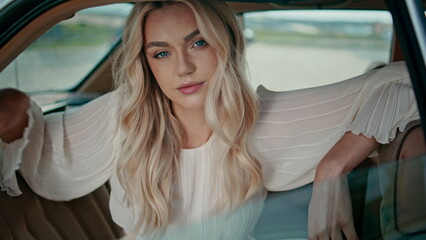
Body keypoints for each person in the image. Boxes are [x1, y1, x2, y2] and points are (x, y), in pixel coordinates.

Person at [0, 0, 422, 239]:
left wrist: (333, 170)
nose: (182, 67)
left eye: (197, 42)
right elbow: (40, 153)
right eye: (161, 52)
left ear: (226, 45)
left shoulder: (264, 122)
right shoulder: (121, 119)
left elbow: (408, 83)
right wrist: (16, 103)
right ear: (146, 64)